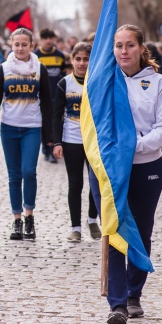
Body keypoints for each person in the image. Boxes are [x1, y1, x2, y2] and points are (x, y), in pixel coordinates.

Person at [88, 24, 162, 324]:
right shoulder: (104, 82)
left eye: (130, 45)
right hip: (112, 170)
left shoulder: (158, 83)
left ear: (141, 49)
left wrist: (134, 147)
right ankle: (118, 303)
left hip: (146, 166)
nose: (124, 51)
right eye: (118, 46)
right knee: (113, 229)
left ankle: (135, 291)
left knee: (141, 230)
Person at [0, 27, 53, 241]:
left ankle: (29, 217)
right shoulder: (4, 69)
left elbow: (47, 104)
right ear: (11, 45)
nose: (21, 48)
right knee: (14, 175)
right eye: (17, 44)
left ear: (31, 46)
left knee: (29, 172)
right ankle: (17, 220)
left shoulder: (39, 69)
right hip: (8, 128)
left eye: (25, 44)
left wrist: (49, 136)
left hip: (32, 128)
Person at [52, 42, 100, 242]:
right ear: (71, 60)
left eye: (86, 59)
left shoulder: (97, 82)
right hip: (71, 140)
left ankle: (91, 220)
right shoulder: (64, 83)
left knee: (95, 182)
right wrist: (56, 142)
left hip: (94, 141)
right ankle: (75, 228)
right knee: (75, 184)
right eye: (78, 59)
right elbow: (56, 115)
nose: (82, 63)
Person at [35, 28, 65, 163]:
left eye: (50, 38)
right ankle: (45, 148)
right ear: (41, 40)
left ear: (54, 39)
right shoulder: (36, 56)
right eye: (45, 38)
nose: (48, 41)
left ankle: (53, 150)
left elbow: (64, 75)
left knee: (55, 123)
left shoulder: (60, 55)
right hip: (41, 97)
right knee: (43, 123)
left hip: (57, 96)